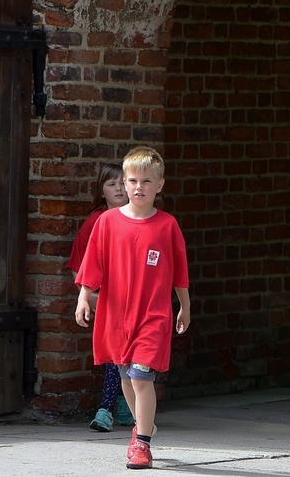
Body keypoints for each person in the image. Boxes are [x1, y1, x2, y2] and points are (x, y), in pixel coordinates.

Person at [74, 146, 191, 469]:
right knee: (126, 376)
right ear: (124, 184)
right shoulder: (107, 222)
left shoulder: (167, 226)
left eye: (146, 181)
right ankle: (144, 423)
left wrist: (184, 306)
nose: (139, 187)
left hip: (153, 314)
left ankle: (142, 443)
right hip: (116, 314)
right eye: (133, 181)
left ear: (160, 184)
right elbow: (93, 264)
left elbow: (180, 271)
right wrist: (84, 296)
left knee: (141, 377)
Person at [67, 162, 133, 432]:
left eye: (122, 183)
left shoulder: (141, 218)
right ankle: (109, 407)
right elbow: (78, 264)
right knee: (115, 353)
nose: (118, 188)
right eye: (111, 184)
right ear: (101, 192)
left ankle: (123, 403)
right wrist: (88, 295)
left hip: (134, 297)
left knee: (129, 353)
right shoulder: (96, 221)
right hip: (106, 298)